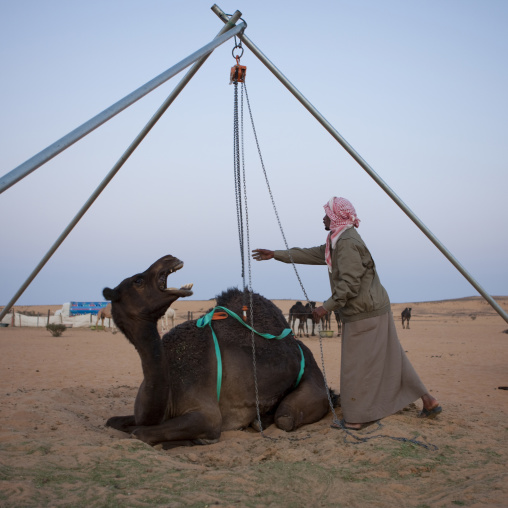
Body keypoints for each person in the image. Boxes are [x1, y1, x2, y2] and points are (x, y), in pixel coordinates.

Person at [252, 196, 442, 430]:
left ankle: (356, 418)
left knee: (355, 366)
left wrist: (326, 307)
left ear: (336, 218)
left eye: (326, 214)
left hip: (365, 313)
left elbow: (350, 284)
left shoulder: (348, 243)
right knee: (394, 358)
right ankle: (429, 401)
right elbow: (313, 254)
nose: (323, 218)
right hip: (373, 308)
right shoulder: (337, 240)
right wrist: (277, 254)